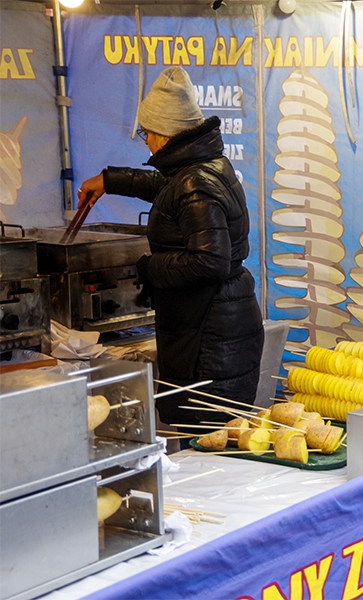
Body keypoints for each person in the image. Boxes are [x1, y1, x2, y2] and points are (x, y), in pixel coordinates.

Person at [77, 66, 264, 437]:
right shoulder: (202, 167)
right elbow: (168, 189)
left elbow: (209, 261)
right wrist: (110, 181)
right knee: (210, 438)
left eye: (147, 133)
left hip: (208, 337)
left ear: (165, 134)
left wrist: (148, 267)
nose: (145, 141)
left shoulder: (196, 180)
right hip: (213, 322)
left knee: (207, 440)